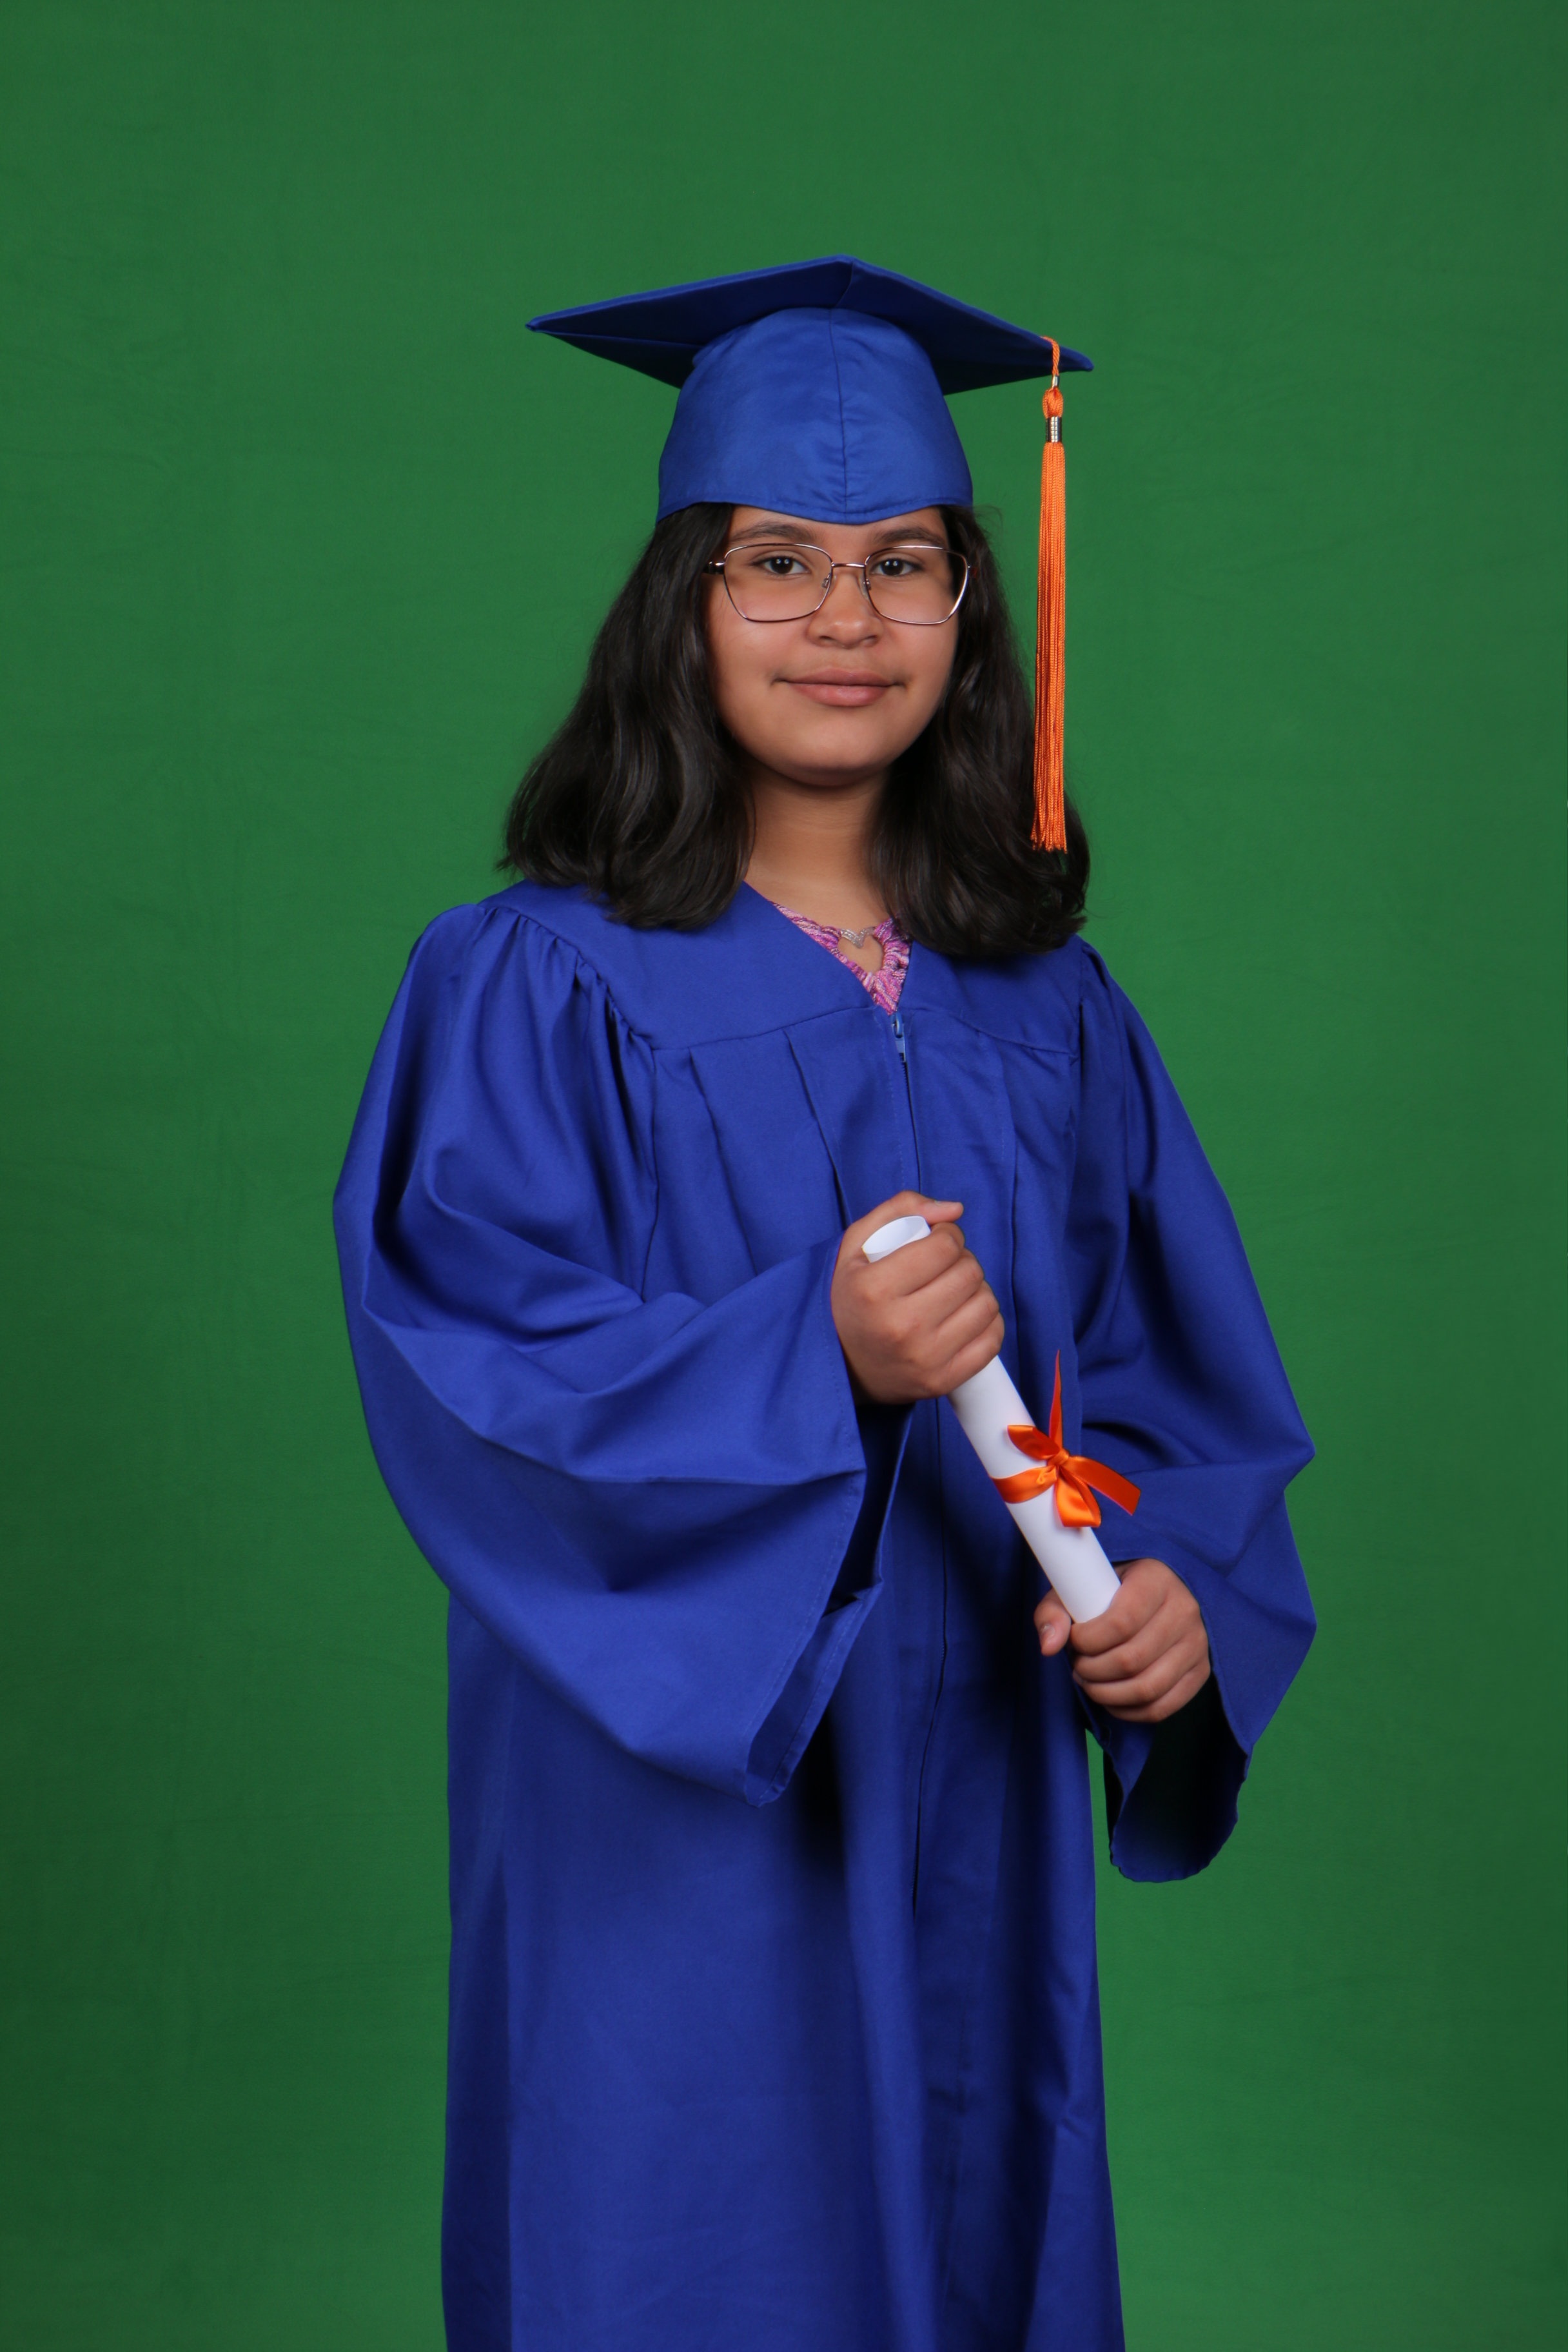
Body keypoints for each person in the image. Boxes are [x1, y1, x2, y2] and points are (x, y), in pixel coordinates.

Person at [334, 257, 1315, 2352]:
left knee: (974, 2208)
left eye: (904, 566)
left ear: (973, 613)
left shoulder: (1051, 1012)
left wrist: (1172, 1600)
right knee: (689, 2240)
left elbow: (1168, 1380)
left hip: (981, 1777)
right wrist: (816, 1357)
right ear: (682, 605)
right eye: (777, 562)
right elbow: (474, 1363)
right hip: (678, 1790)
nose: (845, 619)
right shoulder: (531, 981)